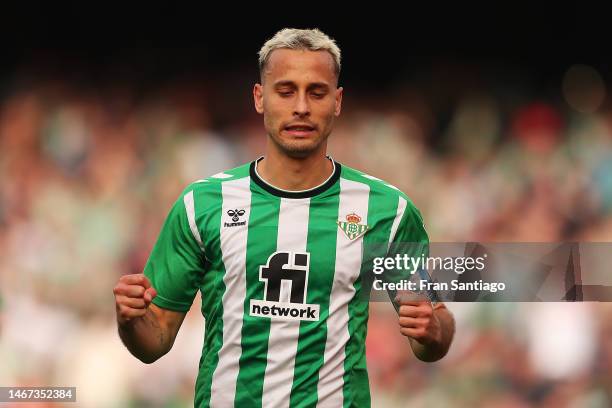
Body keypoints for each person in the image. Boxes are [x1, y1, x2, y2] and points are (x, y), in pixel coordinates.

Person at [113, 27, 455, 407]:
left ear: (337, 101)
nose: (302, 107)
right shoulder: (203, 204)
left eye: (317, 92)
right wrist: (131, 321)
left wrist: (431, 332)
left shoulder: (388, 212)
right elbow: (154, 341)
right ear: (260, 98)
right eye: (286, 90)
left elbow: (434, 323)